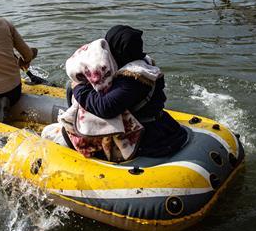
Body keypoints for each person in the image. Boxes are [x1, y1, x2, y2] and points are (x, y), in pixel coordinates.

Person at [70, 25, 187, 158]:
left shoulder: (132, 78)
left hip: (147, 135)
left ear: (117, 50)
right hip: (160, 123)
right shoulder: (144, 65)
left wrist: (79, 88)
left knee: (68, 137)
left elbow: (106, 107)